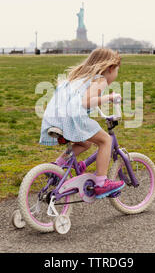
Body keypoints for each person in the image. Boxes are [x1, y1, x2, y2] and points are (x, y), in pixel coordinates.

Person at [39, 48, 124, 198]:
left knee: (85, 143)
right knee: (106, 140)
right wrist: (109, 98)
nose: (116, 75)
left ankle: (59, 166)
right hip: (71, 117)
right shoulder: (100, 79)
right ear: (110, 68)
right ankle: (101, 182)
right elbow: (86, 102)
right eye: (117, 70)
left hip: (54, 117)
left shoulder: (79, 78)